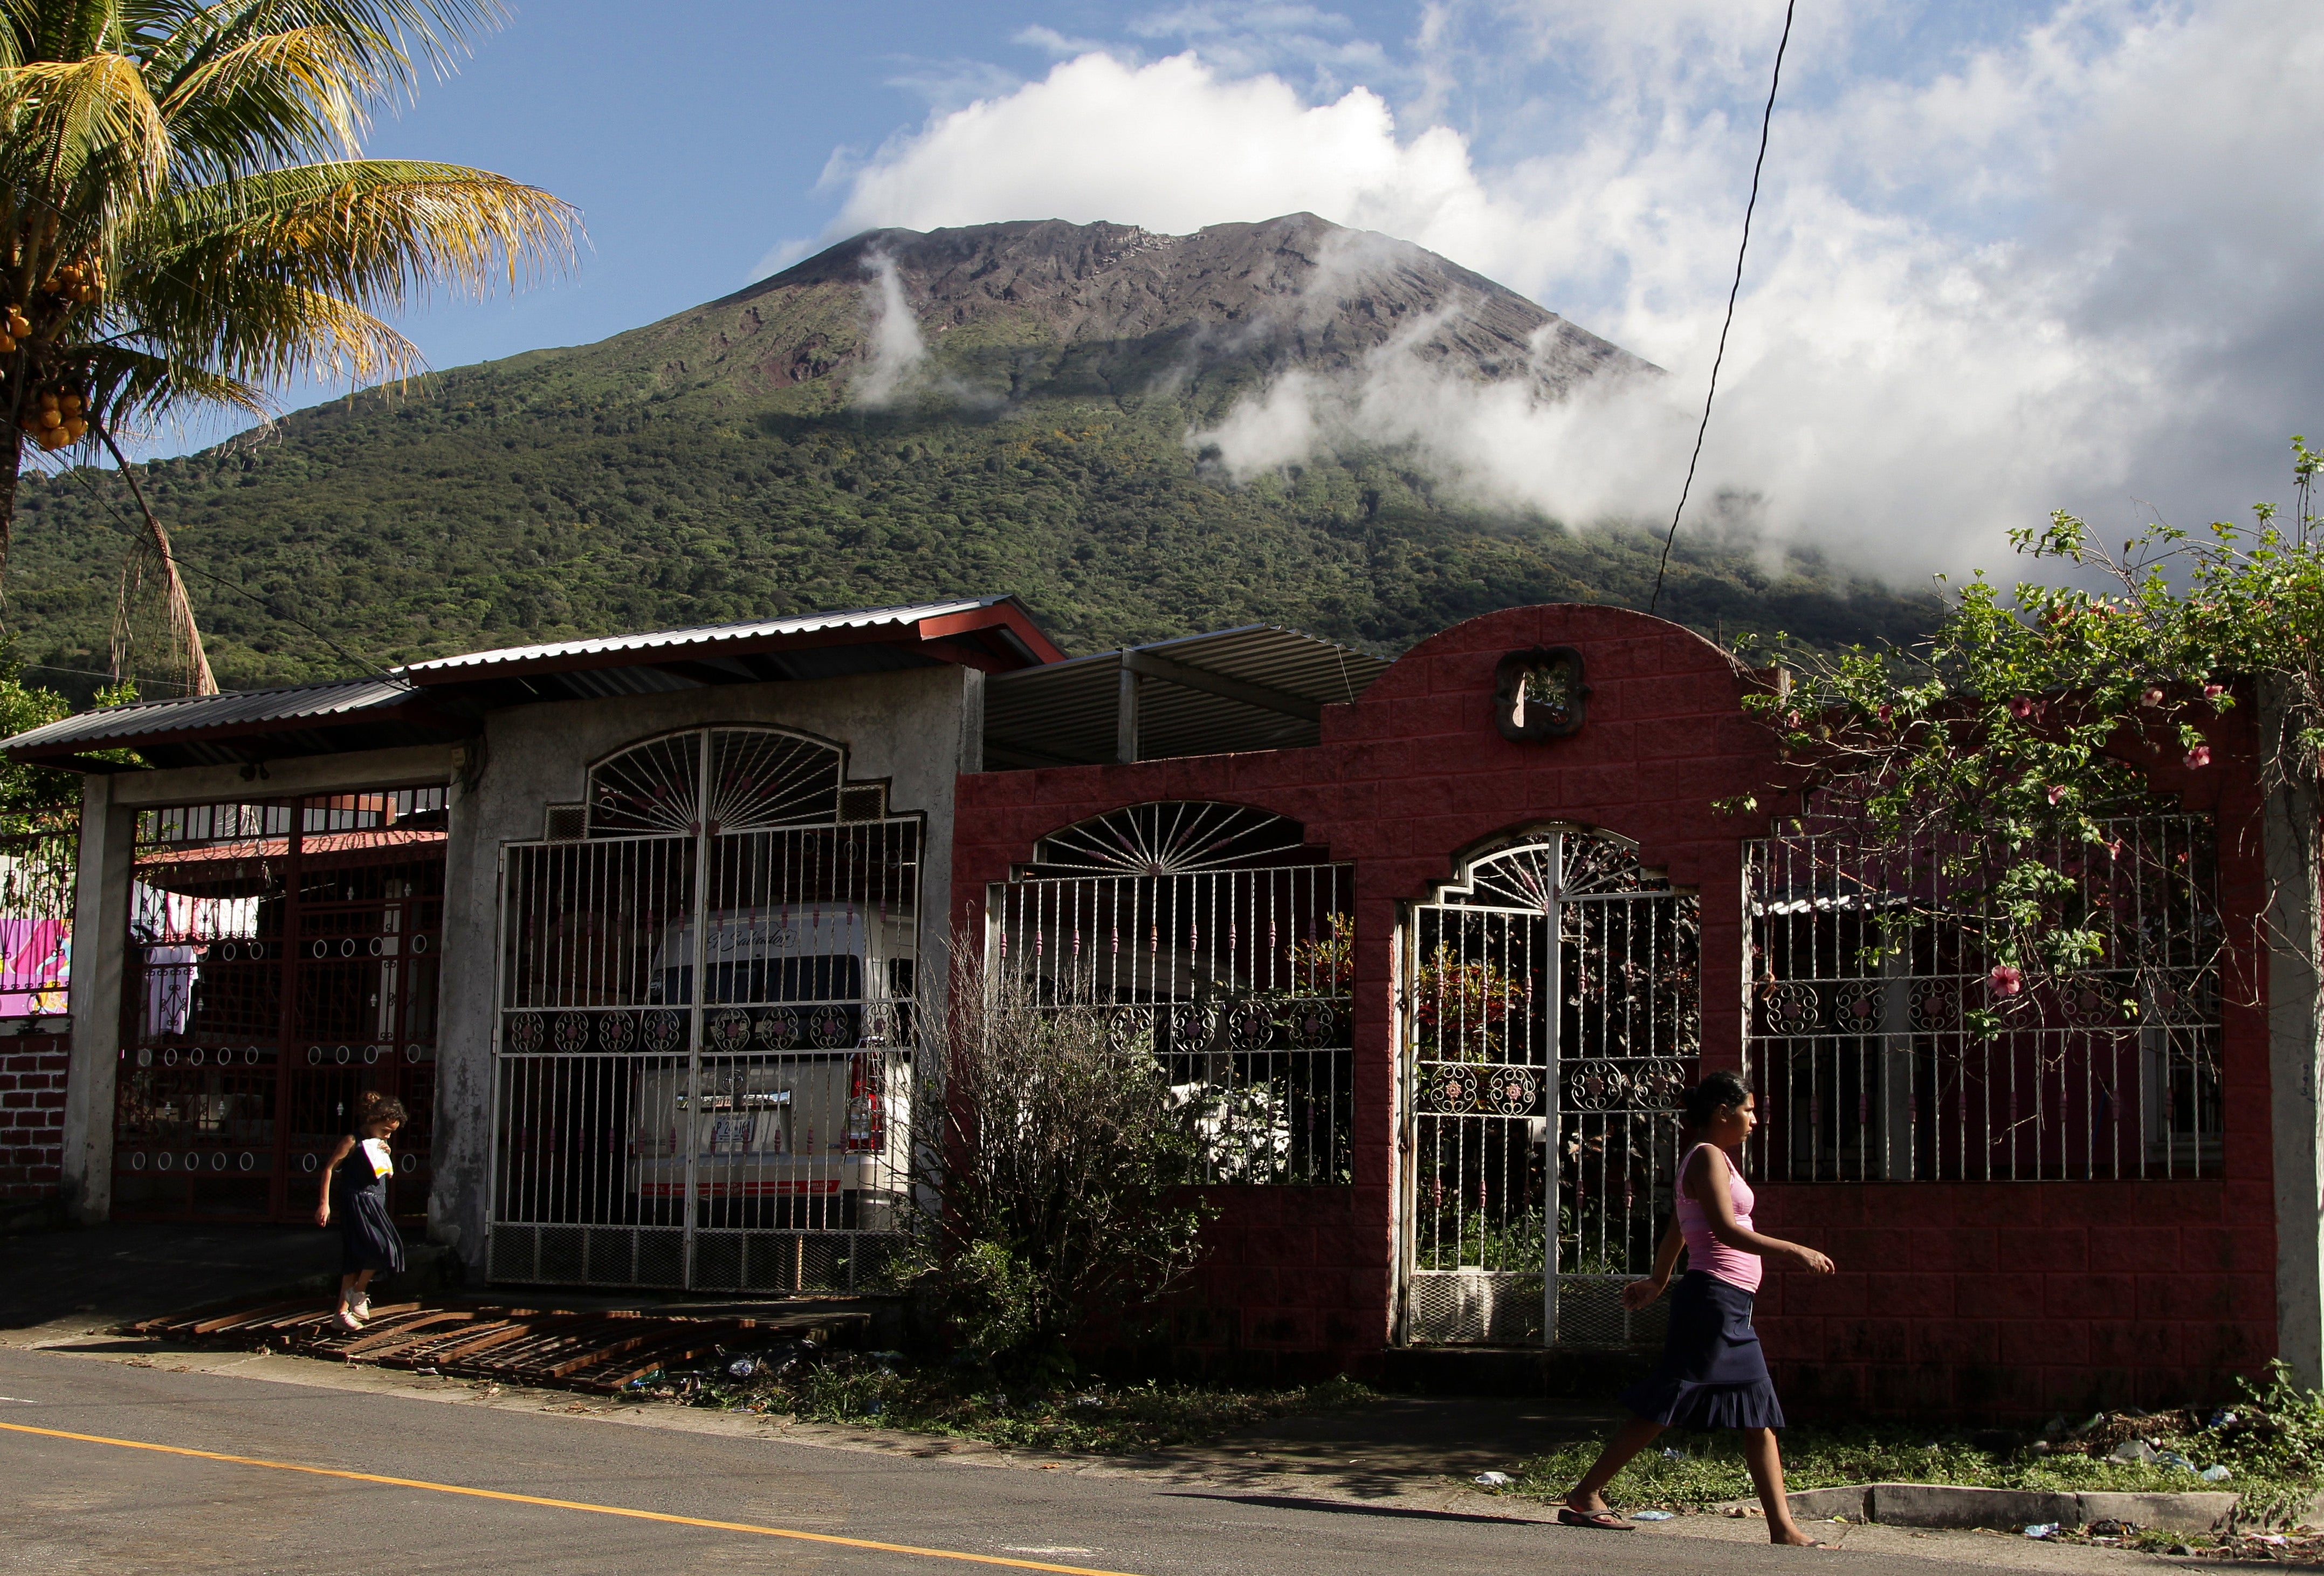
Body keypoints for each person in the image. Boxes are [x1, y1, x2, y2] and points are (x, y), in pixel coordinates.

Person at [1561, 1068, 1835, 1545]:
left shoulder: (1713, 1160)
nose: (1754, 1119)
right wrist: (1794, 1250)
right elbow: (1725, 1231)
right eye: (1748, 1110)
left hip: (1727, 1304)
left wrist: (1658, 1280)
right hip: (1713, 1303)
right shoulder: (1707, 1157)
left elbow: (1677, 1228)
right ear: (1722, 1112)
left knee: (1756, 1416)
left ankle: (1782, 1528)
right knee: (1668, 1403)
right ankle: (1586, 1493)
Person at [315, 1092, 408, 1331]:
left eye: (392, 1132)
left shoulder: (378, 1144)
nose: (388, 1135)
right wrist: (324, 1204)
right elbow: (329, 1170)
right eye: (386, 1129)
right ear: (372, 1120)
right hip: (356, 1202)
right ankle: (357, 1293)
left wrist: (384, 1154)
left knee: (359, 1257)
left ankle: (341, 1313)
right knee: (382, 1247)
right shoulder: (352, 1141)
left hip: (375, 1203)